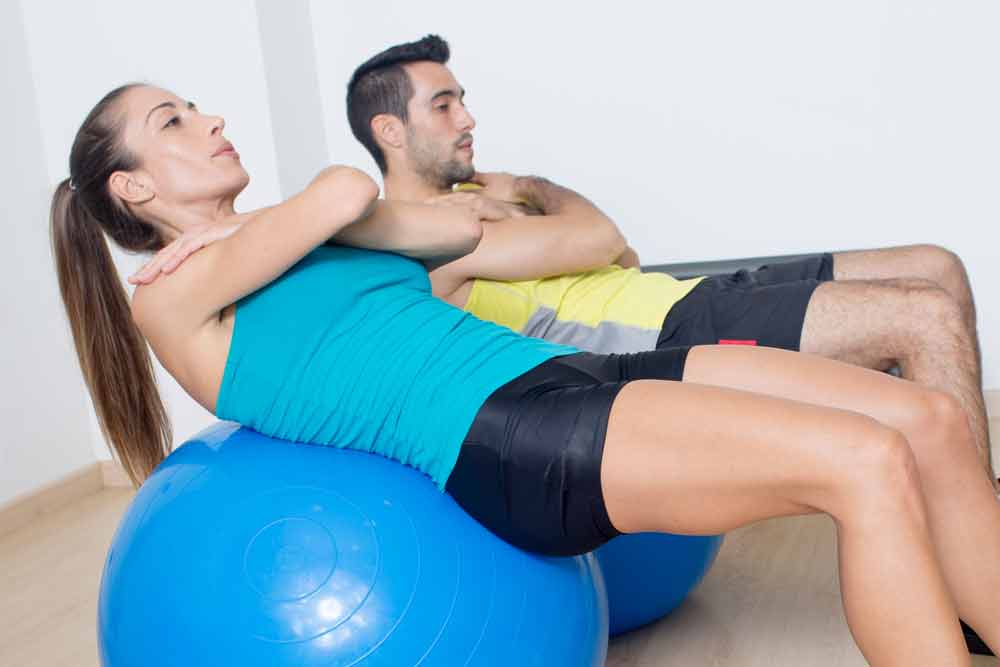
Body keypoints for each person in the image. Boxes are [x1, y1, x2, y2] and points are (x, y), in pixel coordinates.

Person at [55, 82, 1000, 665]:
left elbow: (462, 229)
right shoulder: (169, 299)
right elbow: (350, 188)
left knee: (927, 421)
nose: (210, 117)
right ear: (132, 189)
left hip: (571, 370)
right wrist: (312, 216)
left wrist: (502, 196)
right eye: (174, 119)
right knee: (865, 462)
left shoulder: (301, 238)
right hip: (508, 438)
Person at [344, 35, 996, 496]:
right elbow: (601, 234)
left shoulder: (468, 205)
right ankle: (981, 560)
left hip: (676, 295)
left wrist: (531, 214)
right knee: (925, 316)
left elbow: (617, 256)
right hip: (668, 337)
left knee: (937, 267)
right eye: (444, 105)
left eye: (462, 99)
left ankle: (972, 505)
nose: (468, 118)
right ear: (390, 131)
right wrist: (528, 186)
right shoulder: (417, 238)